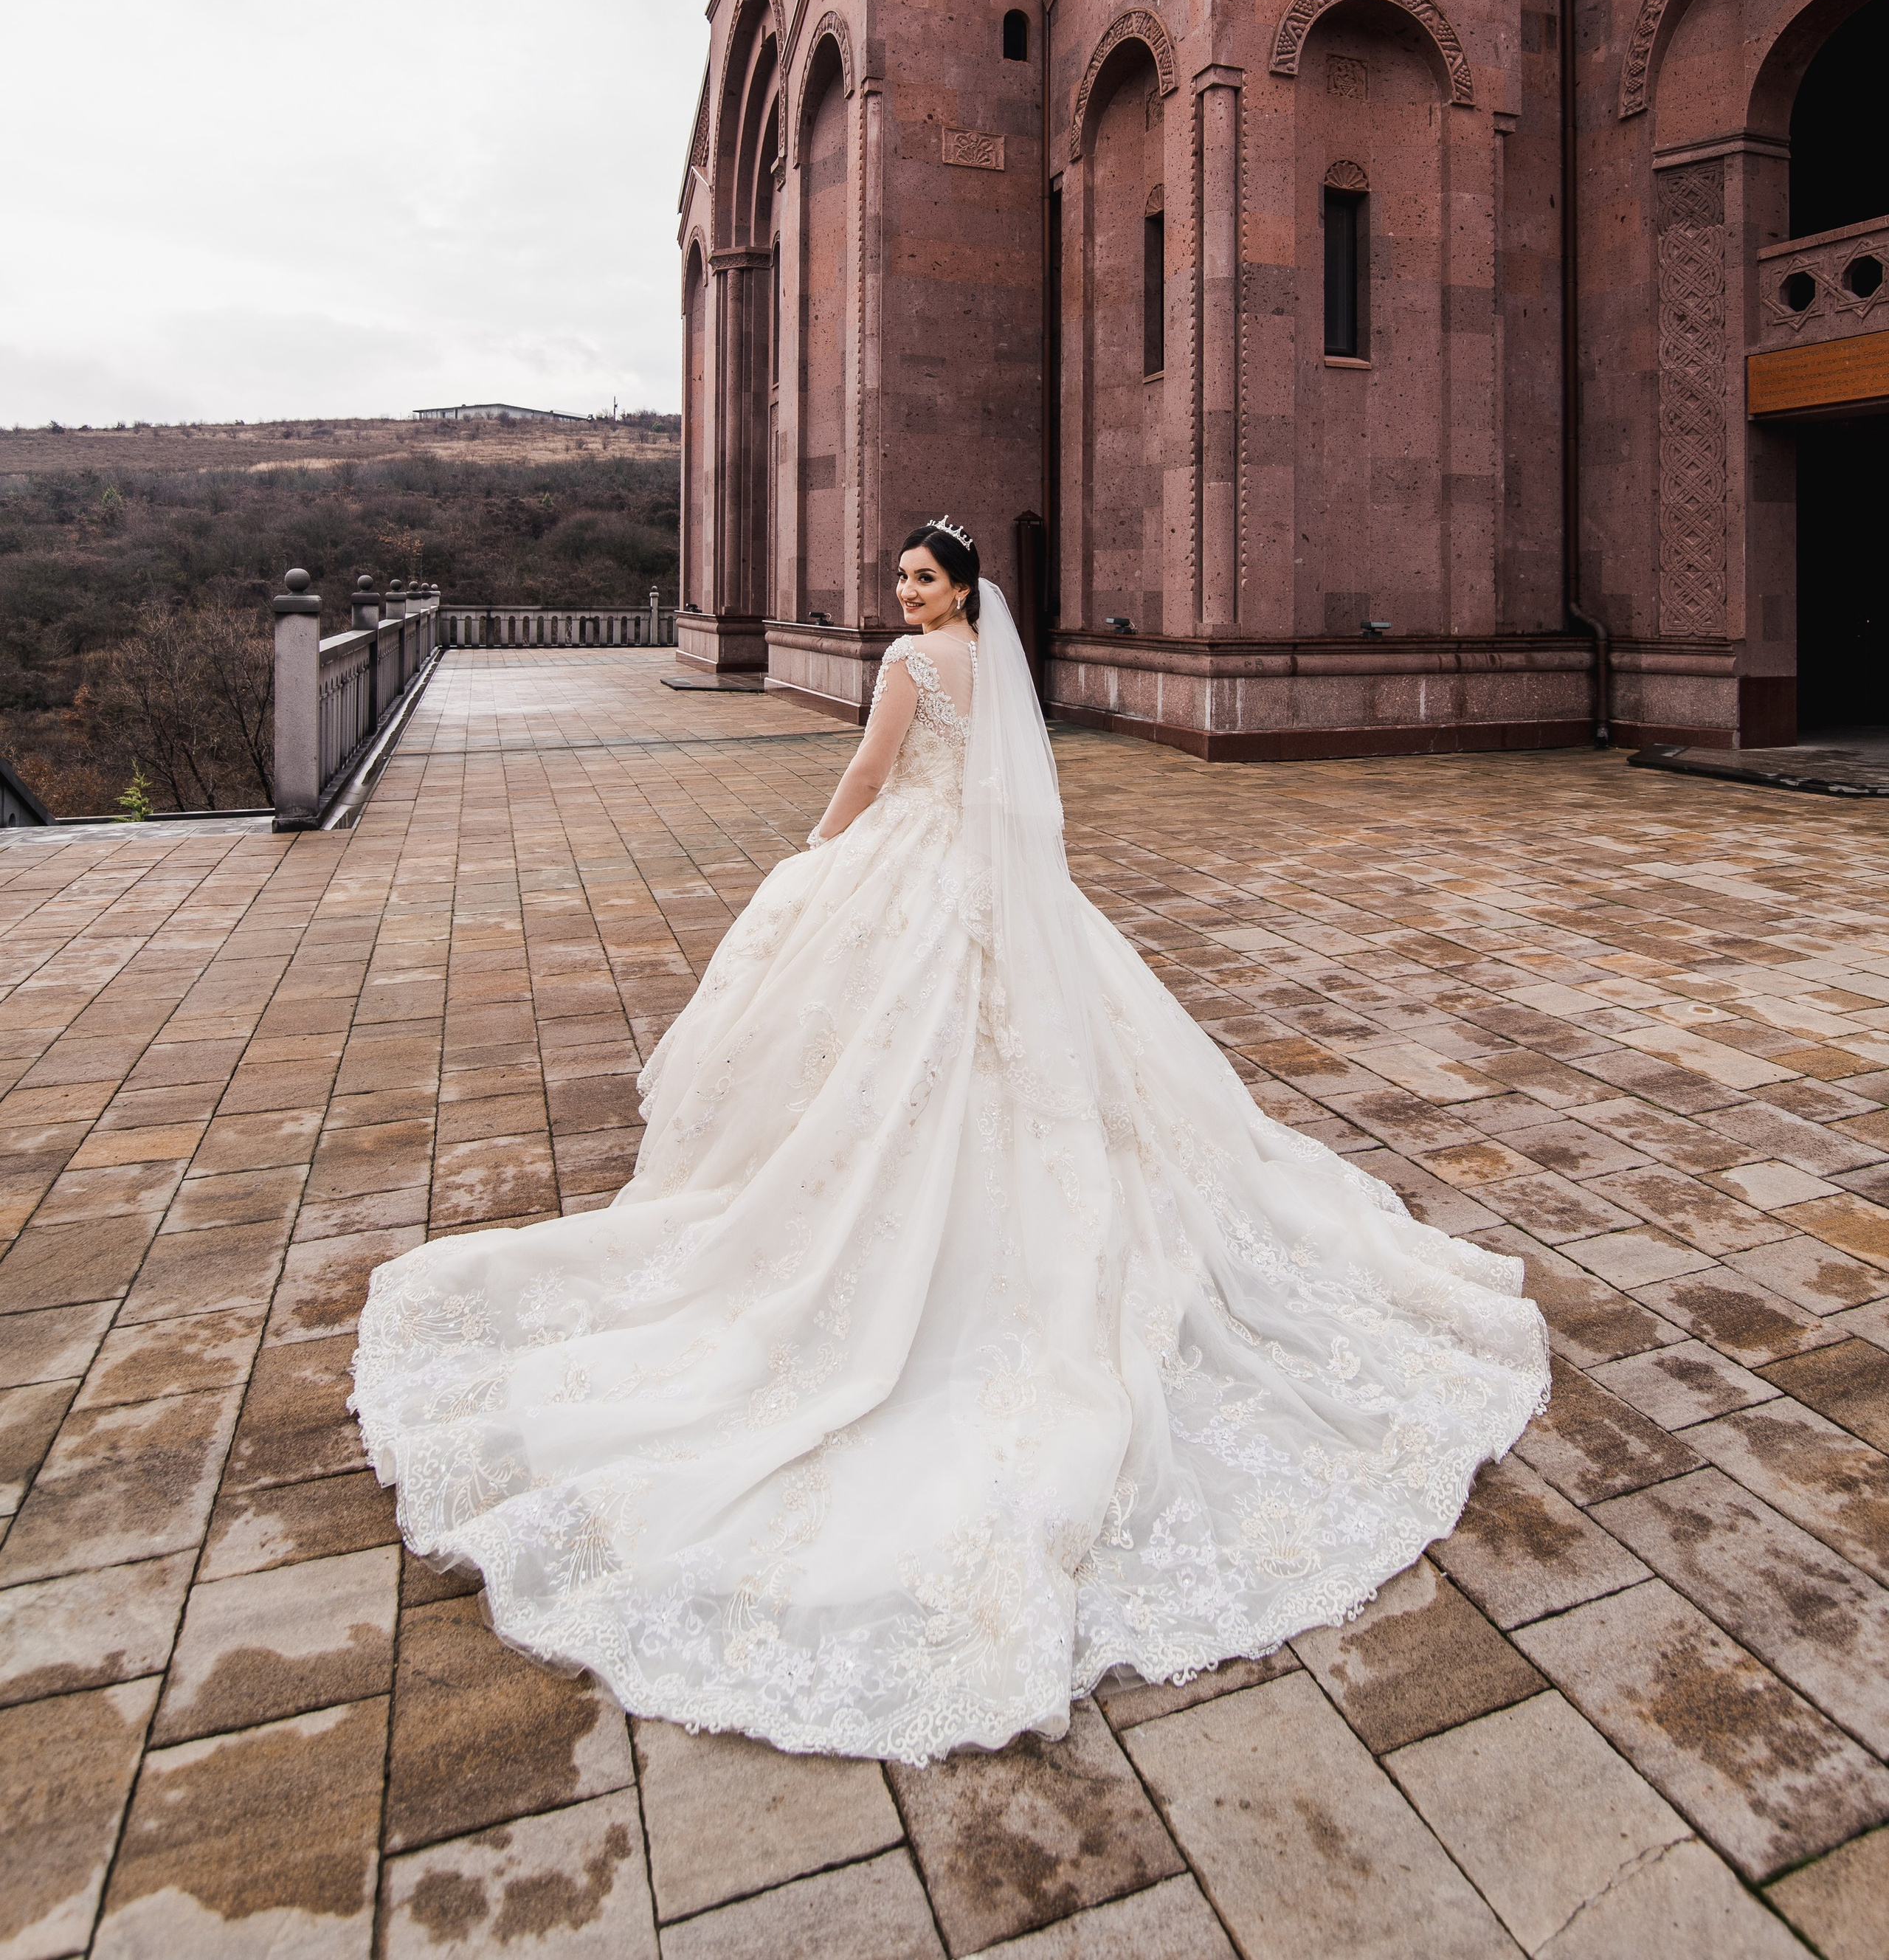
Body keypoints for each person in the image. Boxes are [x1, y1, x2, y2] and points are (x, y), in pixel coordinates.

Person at [353, 519, 1547, 1764]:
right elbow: (1017, 795)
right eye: (903, 580)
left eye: (922, 578)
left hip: (915, 876)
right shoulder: (999, 657)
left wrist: (820, 848)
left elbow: (872, 776)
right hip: (992, 883)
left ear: (963, 586)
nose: (905, 592)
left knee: (881, 1063)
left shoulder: (908, 664)